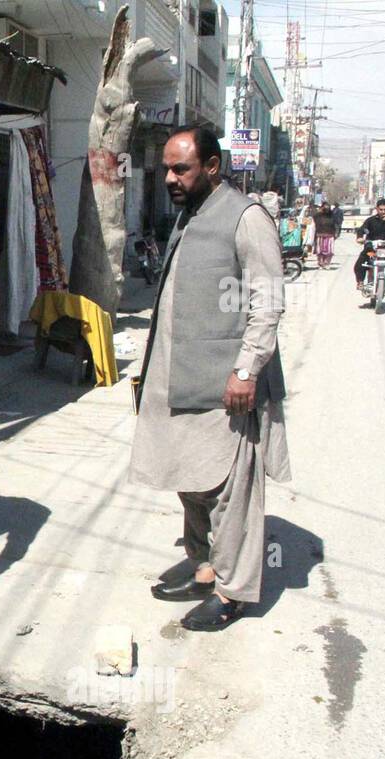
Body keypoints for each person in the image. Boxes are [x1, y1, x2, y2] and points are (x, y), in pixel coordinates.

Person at [130, 125, 291, 632]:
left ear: (214, 166)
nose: (172, 178)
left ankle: (232, 590)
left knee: (228, 490)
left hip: (228, 386)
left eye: (183, 169)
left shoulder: (246, 217)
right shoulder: (189, 215)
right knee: (192, 482)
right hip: (180, 379)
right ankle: (203, 568)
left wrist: (246, 369)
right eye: (170, 169)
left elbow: (267, 302)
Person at [312, 202, 338, 268]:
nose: (326, 209)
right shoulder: (318, 215)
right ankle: (320, 263)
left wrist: (336, 233)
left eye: (328, 207)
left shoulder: (332, 215)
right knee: (320, 250)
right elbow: (314, 219)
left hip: (330, 234)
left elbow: (336, 224)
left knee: (329, 250)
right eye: (325, 207)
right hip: (320, 234)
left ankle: (326, 263)